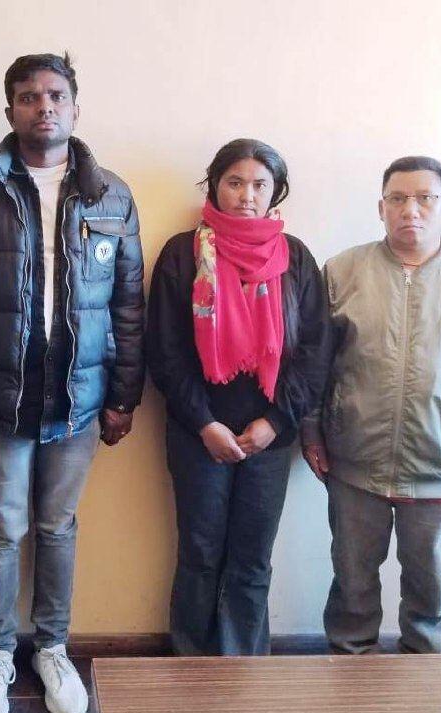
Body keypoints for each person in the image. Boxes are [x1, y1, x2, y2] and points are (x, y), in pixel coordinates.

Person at [0, 52, 144, 713]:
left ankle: (52, 647)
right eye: (28, 97)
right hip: (1, 397)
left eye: (55, 95)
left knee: (57, 526)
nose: (43, 106)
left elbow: (128, 307)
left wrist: (124, 396)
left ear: (75, 108)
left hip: (80, 399)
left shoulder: (112, 194)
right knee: (2, 528)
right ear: (10, 111)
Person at [302, 155, 441, 654]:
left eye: (425, 198)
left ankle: (424, 675)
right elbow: (316, 362)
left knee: (429, 592)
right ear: (381, 207)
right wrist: (311, 430)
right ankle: (350, 670)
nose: (411, 209)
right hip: (354, 464)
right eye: (398, 198)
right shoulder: (341, 272)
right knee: (351, 586)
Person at [146, 138, 330, 656]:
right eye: (235, 182)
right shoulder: (182, 254)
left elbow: (315, 351)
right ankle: (192, 664)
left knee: (251, 557)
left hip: (270, 436)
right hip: (198, 433)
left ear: (276, 192)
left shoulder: (295, 258)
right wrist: (205, 424)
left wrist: (275, 422)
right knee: (200, 553)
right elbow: (164, 350)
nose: (247, 195)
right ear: (214, 186)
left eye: (259, 185)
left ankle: (245, 668)